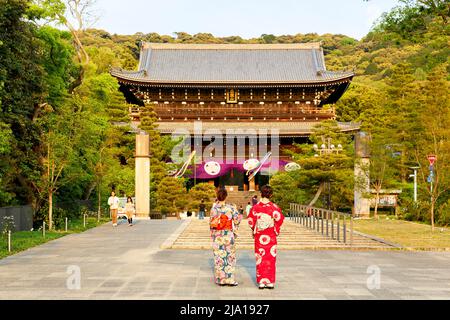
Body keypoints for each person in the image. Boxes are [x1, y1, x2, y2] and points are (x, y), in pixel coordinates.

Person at [247, 185, 285, 289]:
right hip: (270, 236)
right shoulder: (274, 207)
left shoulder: (255, 207)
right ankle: (270, 282)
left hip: (260, 237)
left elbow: (250, 221)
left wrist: (255, 229)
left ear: (261, 193)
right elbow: (280, 220)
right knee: (270, 258)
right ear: (271, 194)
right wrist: (274, 226)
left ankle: (261, 282)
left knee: (260, 258)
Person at [209, 188, 242, 286]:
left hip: (218, 235)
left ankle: (221, 280)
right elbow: (237, 219)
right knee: (230, 257)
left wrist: (213, 235)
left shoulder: (214, 209)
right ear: (226, 196)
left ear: (217, 196)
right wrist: (235, 230)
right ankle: (230, 280)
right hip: (228, 235)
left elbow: (211, 224)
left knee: (219, 257)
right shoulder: (231, 208)